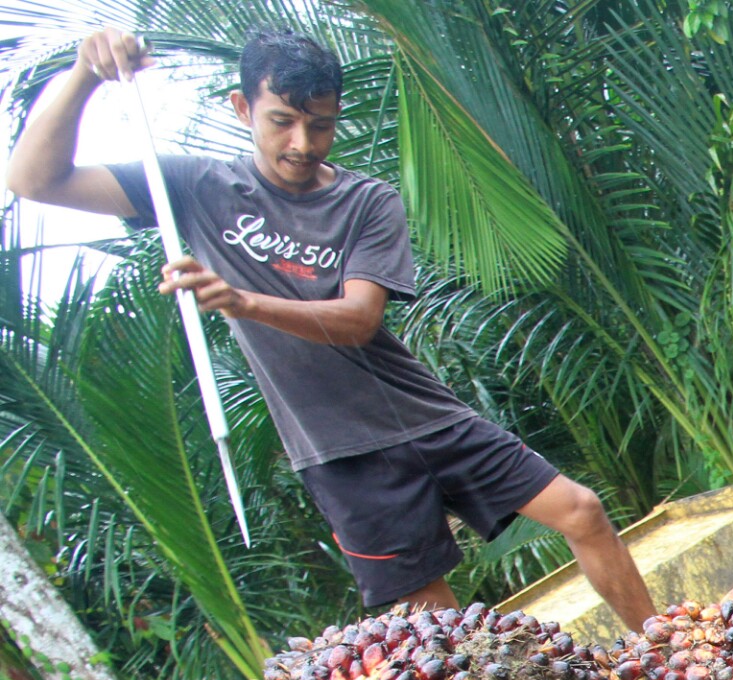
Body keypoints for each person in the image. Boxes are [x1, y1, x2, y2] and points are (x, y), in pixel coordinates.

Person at [6, 28, 658, 629]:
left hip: (426, 414)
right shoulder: (194, 185)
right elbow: (33, 180)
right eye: (282, 122)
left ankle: (660, 657)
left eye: (320, 126)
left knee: (583, 511)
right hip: (341, 452)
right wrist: (84, 75)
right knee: (442, 626)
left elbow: (358, 319)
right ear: (241, 108)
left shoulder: (366, 201)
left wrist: (242, 300)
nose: (301, 144)